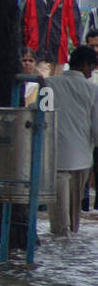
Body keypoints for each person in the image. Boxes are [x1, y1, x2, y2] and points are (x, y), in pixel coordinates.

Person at [45, 45, 98, 235]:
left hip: (54, 158)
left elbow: (39, 114)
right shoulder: (93, 90)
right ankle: (70, 258)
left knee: (58, 221)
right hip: (81, 159)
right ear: (85, 66)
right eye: (91, 68)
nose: (91, 73)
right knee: (73, 218)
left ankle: (59, 250)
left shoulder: (49, 83)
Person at [23, 0, 81, 76]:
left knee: (54, 90)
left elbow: (75, 25)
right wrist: (23, 50)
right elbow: (23, 25)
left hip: (58, 53)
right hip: (36, 54)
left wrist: (78, 48)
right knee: (39, 89)